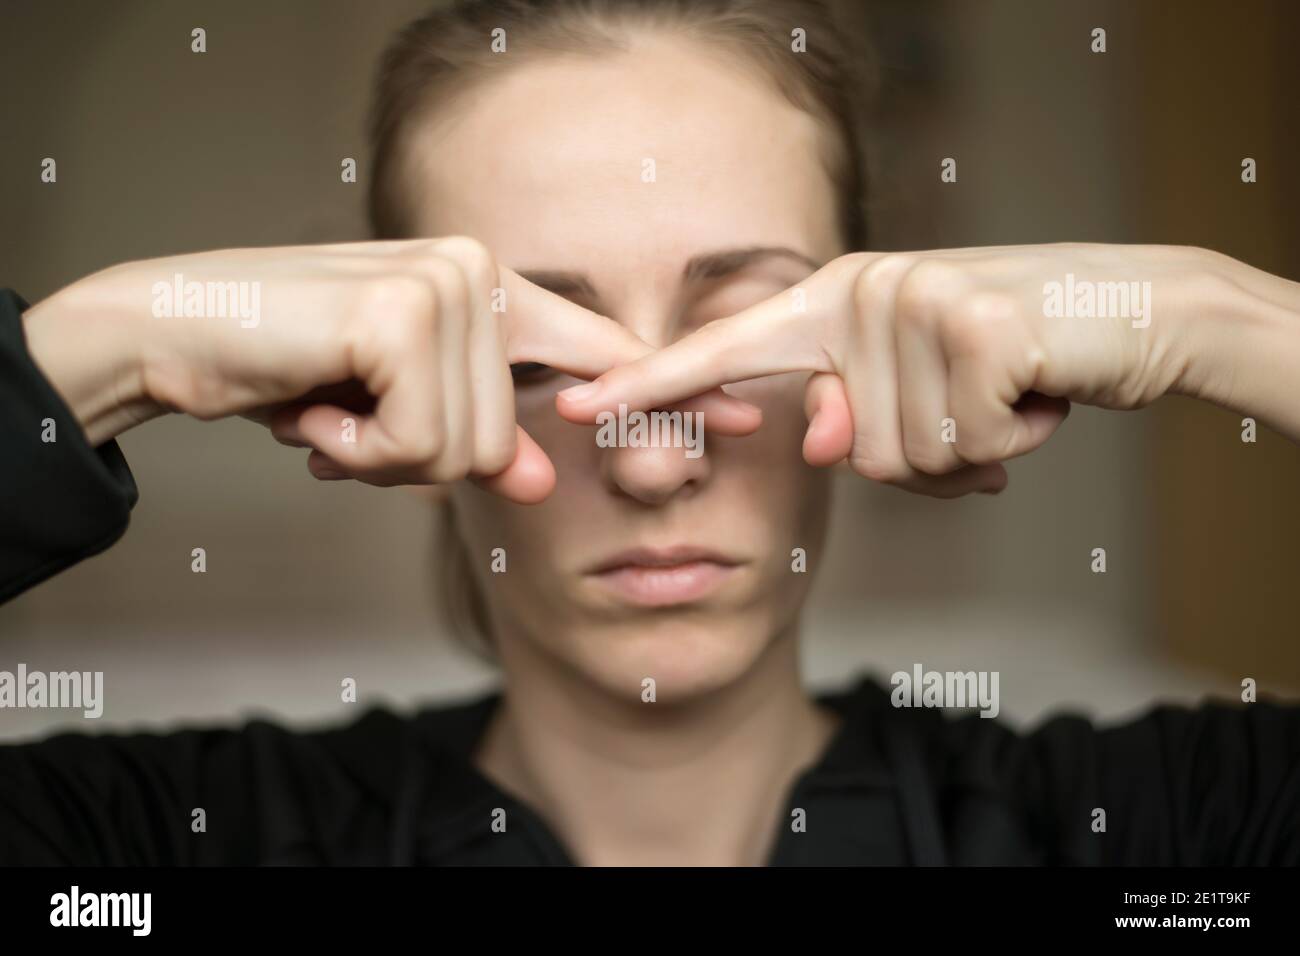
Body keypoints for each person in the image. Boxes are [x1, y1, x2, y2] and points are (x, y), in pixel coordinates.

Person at [2, 0, 1298, 866]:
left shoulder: (1157, 841)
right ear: (375, 392)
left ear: (883, 344)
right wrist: (108, 343)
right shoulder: (163, 850)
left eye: (749, 330)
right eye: (533, 355)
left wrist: (1220, 317)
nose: (653, 461)